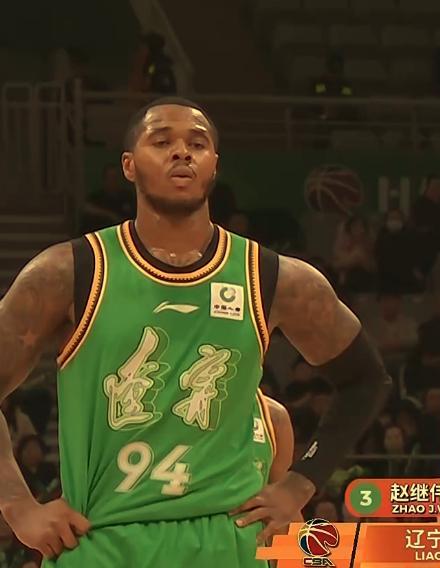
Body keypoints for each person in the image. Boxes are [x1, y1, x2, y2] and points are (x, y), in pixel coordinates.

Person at [0, 98, 390, 565]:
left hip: (227, 542)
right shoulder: (68, 272)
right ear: (128, 165)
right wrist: (18, 507)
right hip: (104, 540)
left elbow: (366, 380)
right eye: (161, 141)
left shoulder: (274, 278)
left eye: (197, 144)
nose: (182, 152)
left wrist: (298, 485)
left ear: (214, 165)